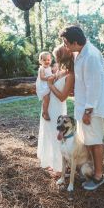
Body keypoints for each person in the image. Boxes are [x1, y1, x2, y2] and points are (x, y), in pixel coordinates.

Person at [59, 25, 104, 190]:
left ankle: (98, 177)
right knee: (88, 141)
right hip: (83, 108)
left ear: (76, 42)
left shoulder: (91, 56)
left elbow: (94, 86)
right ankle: (88, 170)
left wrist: (88, 111)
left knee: (95, 142)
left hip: (92, 110)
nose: (65, 46)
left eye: (66, 42)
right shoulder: (80, 53)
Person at [37, 45, 74, 179]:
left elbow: (63, 96)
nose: (54, 60)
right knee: (48, 132)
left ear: (63, 57)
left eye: (57, 57)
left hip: (58, 107)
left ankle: (60, 168)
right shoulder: (58, 70)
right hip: (48, 106)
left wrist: (51, 85)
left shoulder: (70, 74)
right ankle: (50, 162)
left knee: (56, 134)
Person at [35, 52, 55, 121]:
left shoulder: (50, 68)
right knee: (46, 99)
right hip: (42, 86)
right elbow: (42, 77)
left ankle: (48, 110)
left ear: (51, 60)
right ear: (40, 61)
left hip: (47, 85)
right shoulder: (42, 68)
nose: (47, 61)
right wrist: (50, 77)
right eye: (44, 60)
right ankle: (45, 112)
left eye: (48, 60)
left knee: (49, 98)